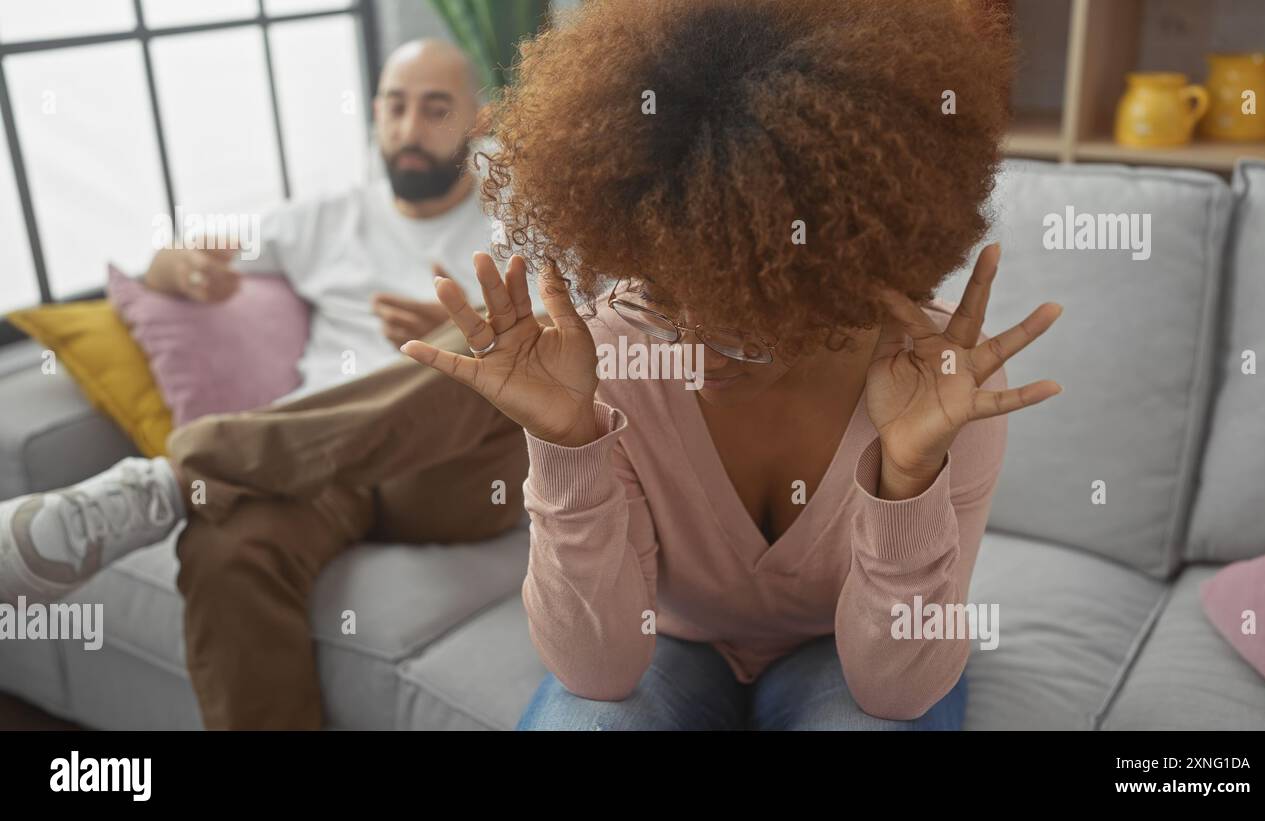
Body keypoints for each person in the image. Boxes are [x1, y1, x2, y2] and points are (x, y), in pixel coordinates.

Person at [400, 0, 1063, 730]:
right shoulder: (614, 355)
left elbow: (895, 693)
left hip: (845, 654)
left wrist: (907, 480)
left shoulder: (940, 385)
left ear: (829, 275)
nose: (691, 350)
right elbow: (599, 671)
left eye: (743, 322)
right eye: (660, 295)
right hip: (675, 645)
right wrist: (565, 444)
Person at [0, 39, 534, 729]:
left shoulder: (518, 218)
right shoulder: (326, 217)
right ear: (374, 114)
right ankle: (199, 473)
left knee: (494, 339)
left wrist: (456, 326)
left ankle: (172, 476)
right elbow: (172, 255)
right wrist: (182, 274)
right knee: (223, 544)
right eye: (395, 108)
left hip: (451, 472)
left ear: (478, 119)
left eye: (435, 110)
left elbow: (573, 345)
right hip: (315, 465)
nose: (409, 130)